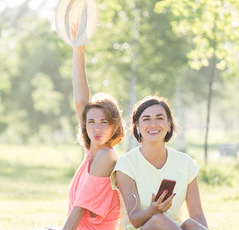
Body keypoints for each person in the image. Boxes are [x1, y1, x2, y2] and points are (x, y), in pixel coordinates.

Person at [111, 95, 209, 230]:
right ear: (138, 126)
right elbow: (134, 219)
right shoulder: (126, 164)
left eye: (160, 118)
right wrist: (153, 210)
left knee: (191, 224)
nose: (153, 124)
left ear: (169, 124)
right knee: (158, 219)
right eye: (146, 119)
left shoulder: (185, 163)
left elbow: (197, 216)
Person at [60, 40, 125, 230]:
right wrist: (77, 49)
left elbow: (79, 208)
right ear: (85, 125)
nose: (97, 128)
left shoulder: (106, 156)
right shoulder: (92, 152)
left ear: (114, 126)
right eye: (92, 122)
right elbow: (81, 101)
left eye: (104, 122)